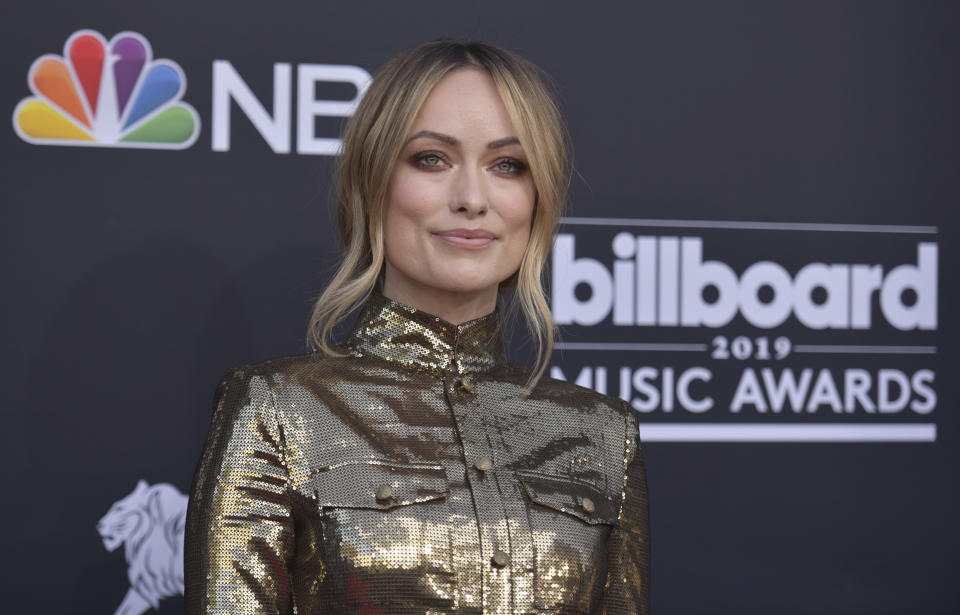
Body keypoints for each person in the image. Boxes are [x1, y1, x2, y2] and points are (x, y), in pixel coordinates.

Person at [184, 39, 650, 615]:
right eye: (432, 158)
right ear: (371, 182)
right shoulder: (279, 410)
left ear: (539, 198)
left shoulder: (605, 433)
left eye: (508, 165)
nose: (472, 199)